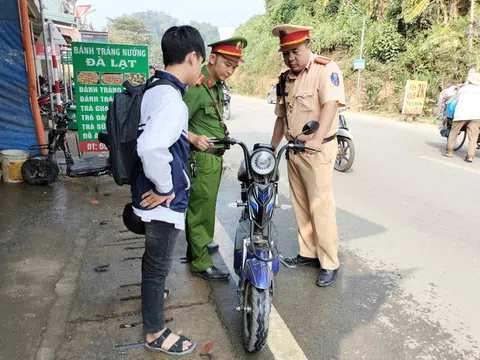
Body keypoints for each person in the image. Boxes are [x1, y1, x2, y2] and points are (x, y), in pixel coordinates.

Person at [132, 25, 205, 355]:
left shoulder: (154, 89)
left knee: (154, 262)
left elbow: (161, 136)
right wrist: (165, 187)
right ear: (192, 57)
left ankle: (152, 294)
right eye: (201, 62)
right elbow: (150, 147)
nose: (200, 69)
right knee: (158, 264)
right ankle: (155, 332)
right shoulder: (172, 99)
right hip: (160, 199)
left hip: (145, 190)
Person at [270, 25, 345, 287]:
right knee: (300, 204)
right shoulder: (284, 79)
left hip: (317, 149)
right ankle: (309, 253)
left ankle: (329, 262)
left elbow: (330, 106)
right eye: (286, 53)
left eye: (295, 51)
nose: (291, 58)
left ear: (308, 46)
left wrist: (315, 139)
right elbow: (281, 118)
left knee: (320, 206)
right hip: (294, 150)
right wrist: (272, 147)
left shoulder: (326, 69)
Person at [183, 37, 247, 280]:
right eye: (227, 64)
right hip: (201, 158)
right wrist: (193, 137)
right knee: (200, 209)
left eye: (234, 67)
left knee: (207, 206)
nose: (230, 71)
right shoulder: (198, 86)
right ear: (212, 58)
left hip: (213, 158)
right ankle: (200, 262)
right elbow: (175, 121)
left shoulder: (215, 84)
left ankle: (201, 244)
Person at [443, 71, 480, 163]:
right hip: (475, 116)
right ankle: (470, 156)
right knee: (473, 136)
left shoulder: (463, 89)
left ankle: (449, 152)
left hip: (461, 114)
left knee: (454, 132)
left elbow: (456, 99)